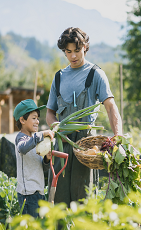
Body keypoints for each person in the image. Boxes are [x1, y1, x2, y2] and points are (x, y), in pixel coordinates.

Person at [46, 27, 122, 207]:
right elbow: (50, 112)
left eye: (77, 51)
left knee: (84, 198)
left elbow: (111, 107)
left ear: (85, 47)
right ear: (64, 52)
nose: (73, 56)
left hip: (86, 143)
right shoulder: (59, 77)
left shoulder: (95, 74)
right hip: (62, 142)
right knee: (58, 198)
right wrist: (56, 126)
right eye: (68, 52)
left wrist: (117, 135)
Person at [13, 99, 55, 218]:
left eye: (37, 118)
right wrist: (41, 134)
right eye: (34, 118)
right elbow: (22, 148)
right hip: (28, 194)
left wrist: (46, 159)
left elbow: (42, 167)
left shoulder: (34, 141)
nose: (37, 121)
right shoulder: (21, 138)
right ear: (22, 120)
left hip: (39, 192)